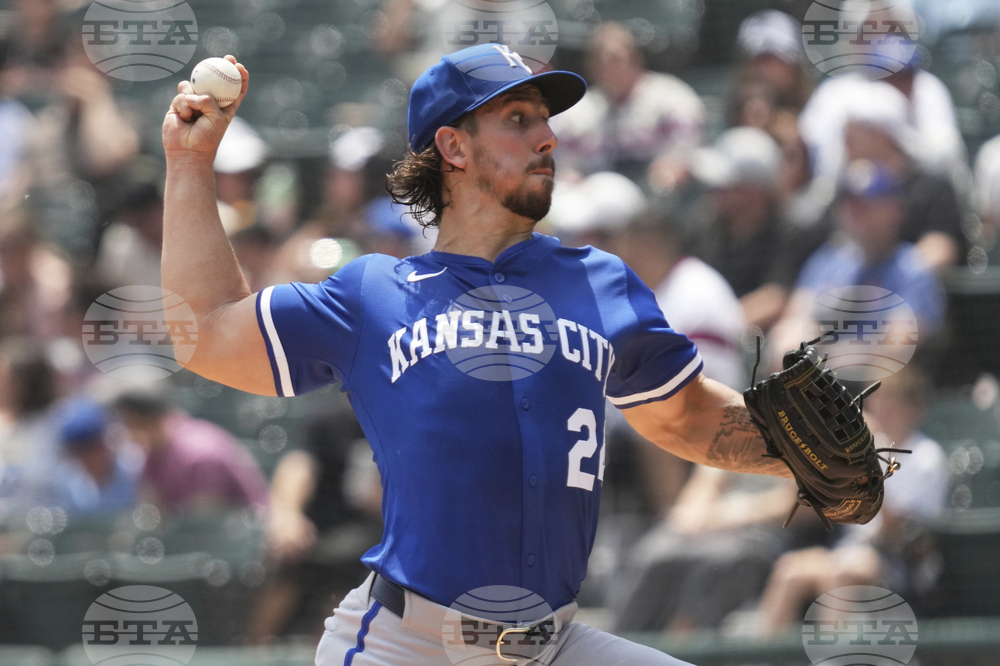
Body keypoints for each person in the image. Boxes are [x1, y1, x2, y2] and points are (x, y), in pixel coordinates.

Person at [161, 46, 795, 666]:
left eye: (544, 119)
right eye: (517, 119)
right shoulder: (373, 295)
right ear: (454, 147)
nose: (547, 137)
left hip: (552, 645)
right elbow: (207, 332)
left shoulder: (600, 282)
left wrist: (803, 456)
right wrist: (190, 163)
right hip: (408, 647)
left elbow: (684, 416)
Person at [112, 389, 269, 517]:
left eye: (131, 425)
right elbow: (156, 513)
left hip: (251, 534)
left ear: (150, 419)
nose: (128, 434)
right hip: (201, 535)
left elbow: (205, 524)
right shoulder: (153, 451)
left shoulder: (199, 453)